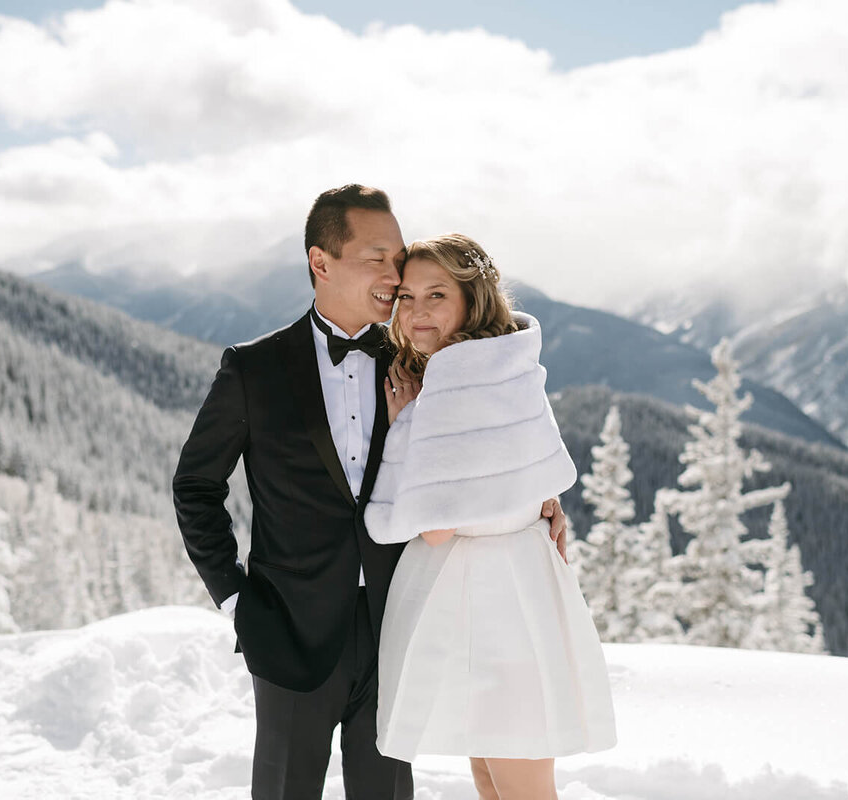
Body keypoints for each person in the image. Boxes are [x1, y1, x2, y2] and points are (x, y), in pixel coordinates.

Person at [172, 185, 571, 800]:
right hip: (289, 628)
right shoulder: (254, 369)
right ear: (321, 262)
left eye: (399, 259)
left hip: (400, 620)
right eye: (377, 258)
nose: (394, 276)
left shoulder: (423, 355)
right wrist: (233, 599)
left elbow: (491, 429)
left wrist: (534, 498)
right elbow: (196, 486)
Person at [365, 233, 617, 800]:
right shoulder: (505, 365)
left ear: (470, 300)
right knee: (497, 768)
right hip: (514, 581)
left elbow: (434, 524)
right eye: (407, 297)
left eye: (437, 296)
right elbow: (532, 469)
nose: (417, 311)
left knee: (512, 772)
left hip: (492, 599)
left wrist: (407, 425)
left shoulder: (453, 387)